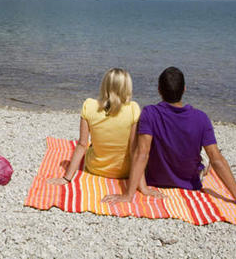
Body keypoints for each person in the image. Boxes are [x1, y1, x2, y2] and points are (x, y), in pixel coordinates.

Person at [101, 66, 236, 211]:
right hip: (191, 184)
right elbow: (217, 159)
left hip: (157, 180)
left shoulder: (149, 113)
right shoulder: (201, 118)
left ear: (159, 89)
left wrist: (128, 195)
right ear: (185, 89)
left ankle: (203, 169)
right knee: (211, 158)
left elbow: (141, 154)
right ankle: (204, 170)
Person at [47, 68, 160, 196]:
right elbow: (134, 151)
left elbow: (82, 145)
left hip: (96, 169)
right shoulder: (133, 109)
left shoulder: (88, 106)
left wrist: (66, 178)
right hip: (125, 172)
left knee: (89, 146)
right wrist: (143, 188)